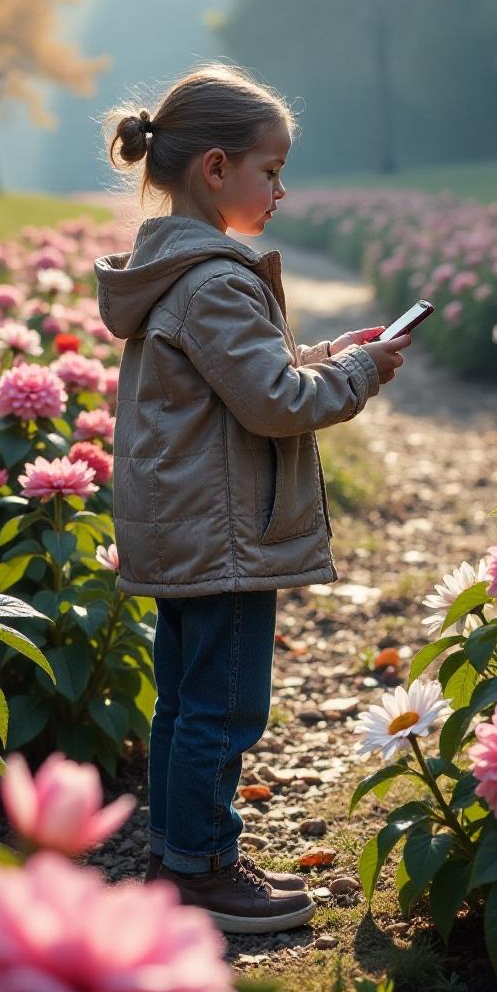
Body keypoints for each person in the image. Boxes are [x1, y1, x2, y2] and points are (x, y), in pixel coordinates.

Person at [94, 63, 410, 934]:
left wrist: (325, 351)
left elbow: (244, 379)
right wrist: (354, 375)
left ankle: (180, 856)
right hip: (225, 538)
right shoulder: (218, 278)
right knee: (226, 706)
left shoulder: (175, 270)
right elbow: (275, 404)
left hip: (191, 529)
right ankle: (202, 871)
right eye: (270, 170)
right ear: (216, 168)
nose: (280, 189)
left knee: (185, 702)